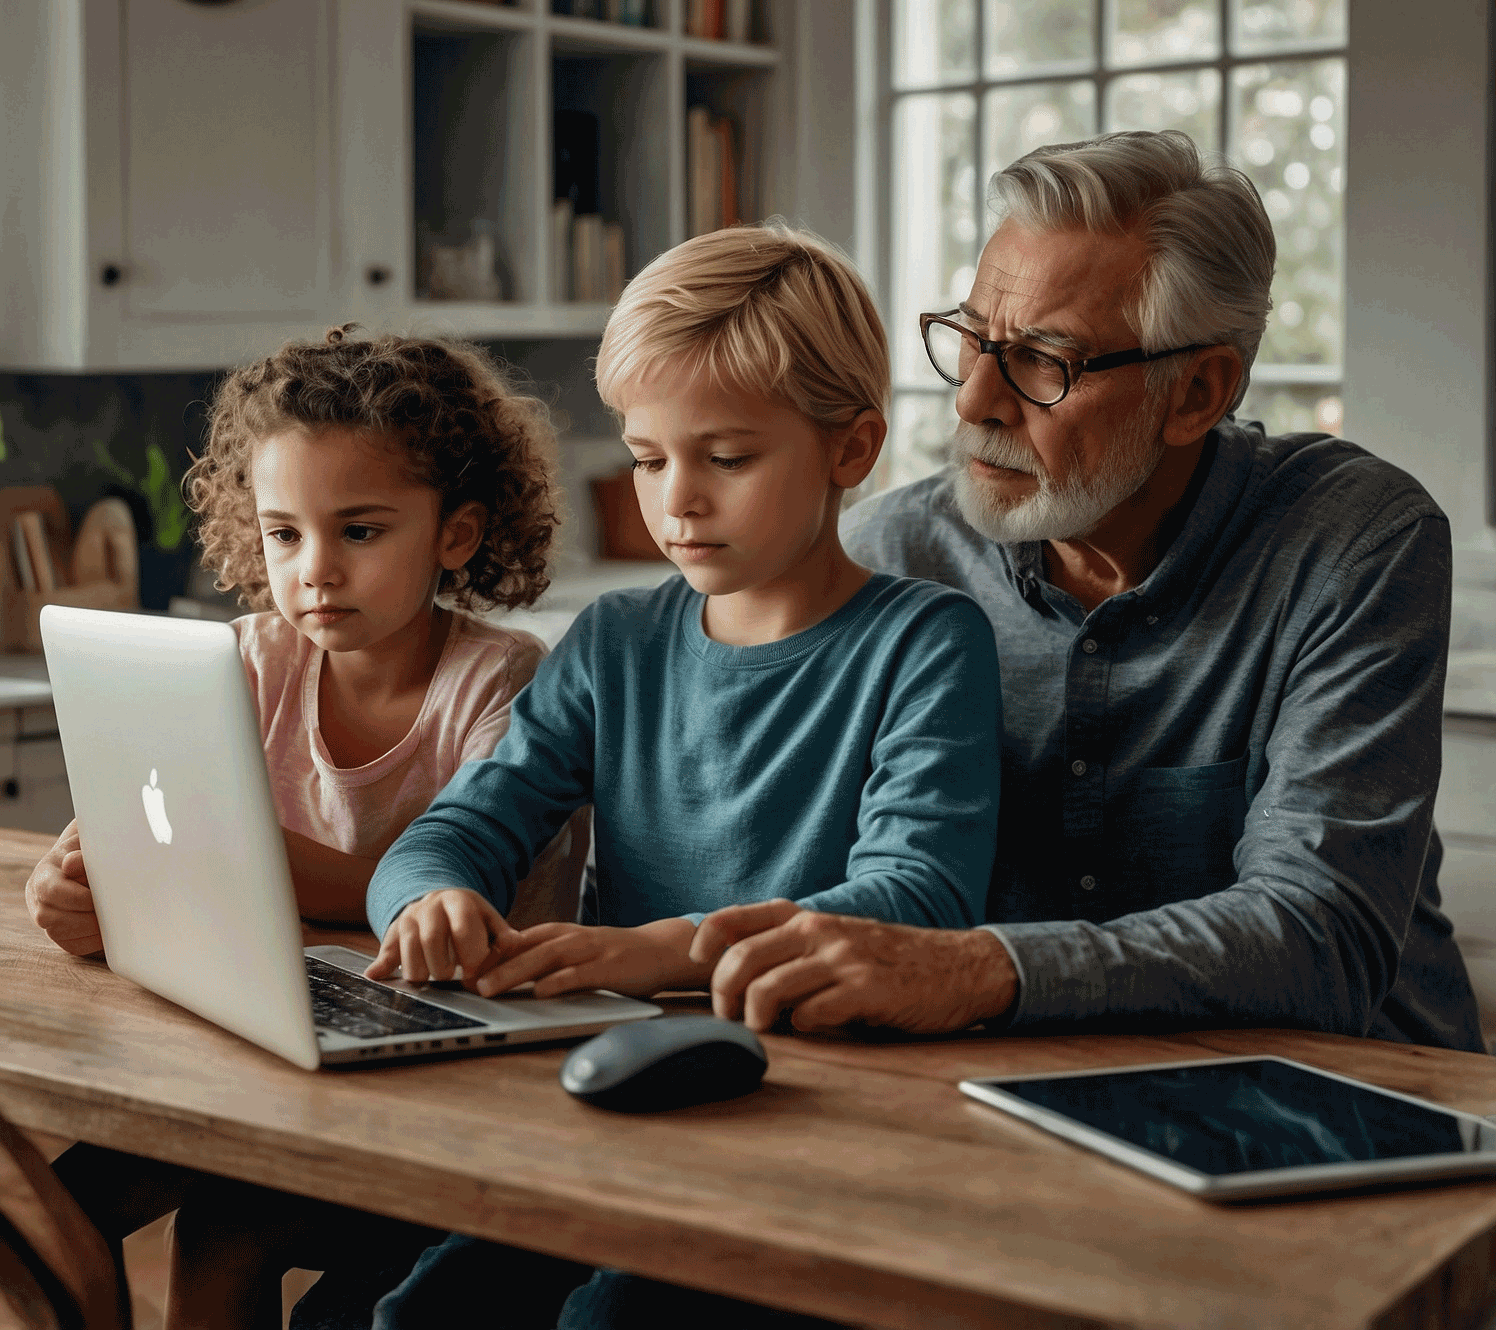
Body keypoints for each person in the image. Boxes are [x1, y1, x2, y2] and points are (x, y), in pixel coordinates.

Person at [690, 129, 1485, 1057]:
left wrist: (976, 971)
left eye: (1041, 361)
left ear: (1196, 393)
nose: (974, 400)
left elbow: (1321, 937)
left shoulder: (1353, 541)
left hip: (1360, 1109)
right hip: (1011, 1092)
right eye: (973, 340)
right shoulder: (887, 555)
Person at [338, 222, 1002, 1329]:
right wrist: (433, 899)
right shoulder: (614, 643)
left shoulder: (926, 641)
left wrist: (656, 950)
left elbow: (917, 898)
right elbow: (449, 834)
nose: (676, 498)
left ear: (851, 447)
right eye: (647, 458)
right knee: (417, 1312)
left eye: (725, 458)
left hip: (825, 1106)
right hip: (621, 1081)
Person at [24, 327, 586, 1329]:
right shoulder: (246, 659)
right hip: (273, 1032)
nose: (315, 570)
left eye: (359, 531)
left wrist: (256, 863)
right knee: (48, 1211)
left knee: (221, 1233)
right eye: (285, 534)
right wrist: (88, 884)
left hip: (446, 1064)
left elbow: (461, 909)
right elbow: (150, 829)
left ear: (453, 534)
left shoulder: (496, 684)